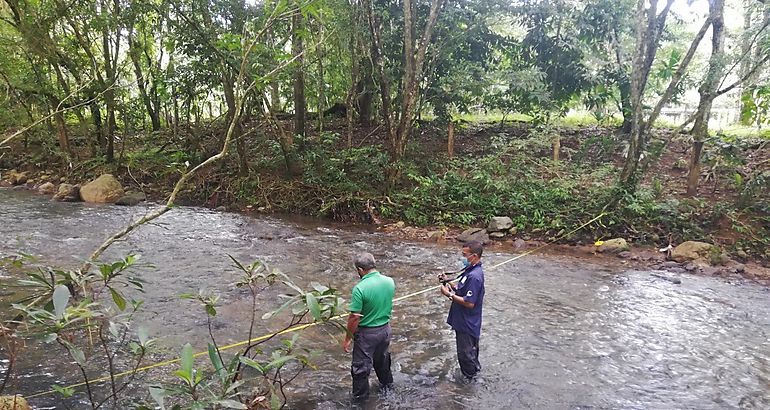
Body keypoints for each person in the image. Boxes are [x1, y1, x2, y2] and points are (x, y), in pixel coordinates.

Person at [342, 252, 396, 399]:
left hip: (367, 334)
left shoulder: (360, 288)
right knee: (382, 362)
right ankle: (388, 389)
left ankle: (360, 401)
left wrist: (348, 338)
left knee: (360, 369)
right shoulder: (389, 281)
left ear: (360, 270)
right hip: (385, 330)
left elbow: (354, 317)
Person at [440, 240, 485, 379]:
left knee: (466, 356)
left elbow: (469, 302)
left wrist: (448, 294)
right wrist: (448, 282)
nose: (463, 257)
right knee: (470, 354)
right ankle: (473, 377)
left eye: (465, 255)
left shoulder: (474, 276)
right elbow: (463, 290)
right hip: (464, 321)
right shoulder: (470, 271)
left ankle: (469, 385)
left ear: (475, 256)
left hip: (467, 323)